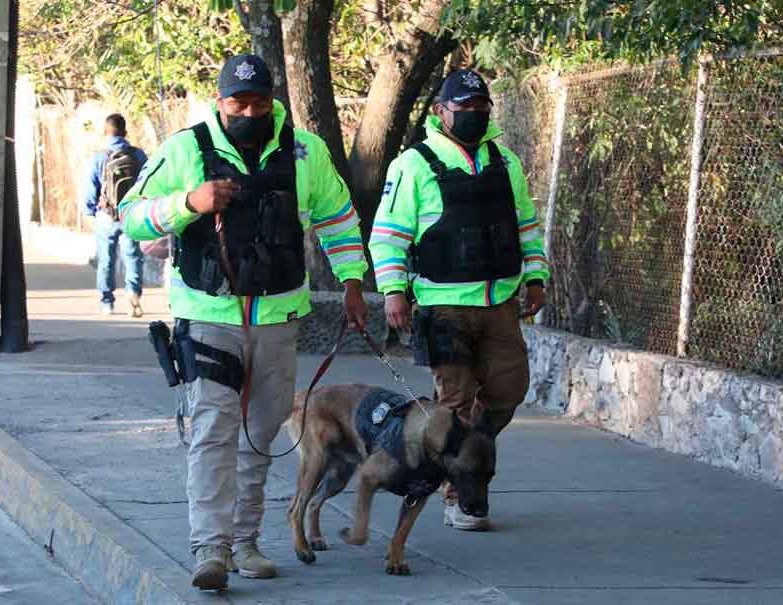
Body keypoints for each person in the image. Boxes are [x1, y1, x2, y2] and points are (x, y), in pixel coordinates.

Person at [119, 54, 368, 591]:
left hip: (278, 315)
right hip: (209, 315)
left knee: (261, 433)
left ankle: (244, 542)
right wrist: (188, 201)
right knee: (214, 430)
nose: (250, 112)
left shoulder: (305, 151)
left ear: (273, 100)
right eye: (239, 103)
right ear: (219, 101)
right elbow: (133, 214)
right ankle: (210, 549)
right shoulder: (186, 148)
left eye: (259, 103)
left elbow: (339, 219)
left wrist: (352, 281)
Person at [368, 69, 547, 532]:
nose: (473, 116)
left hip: (501, 301)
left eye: (480, 108)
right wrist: (393, 290)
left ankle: (466, 449)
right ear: (441, 112)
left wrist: (536, 277)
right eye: (463, 108)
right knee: (456, 401)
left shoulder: (505, 162)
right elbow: (388, 235)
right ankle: (457, 493)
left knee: (508, 391)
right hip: (443, 305)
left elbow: (525, 225)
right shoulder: (414, 164)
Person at [81, 113, 148, 316]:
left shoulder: (99, 157)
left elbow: (90, 188)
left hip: (106, 215)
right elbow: (147, 181)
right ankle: (133, 293)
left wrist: (89, 211)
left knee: (106, 259)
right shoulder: (137, 155)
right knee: (132, 256)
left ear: (105, 131)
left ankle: (107, 302)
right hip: (131, 213)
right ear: (125, 132)